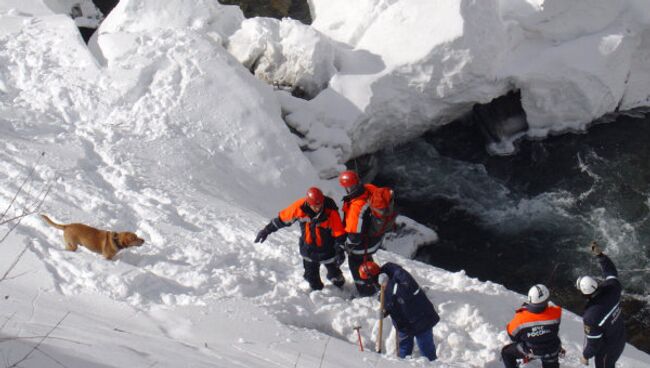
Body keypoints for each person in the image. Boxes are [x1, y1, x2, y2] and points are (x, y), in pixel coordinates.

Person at [254, 187, 346, 291]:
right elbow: (282, 220)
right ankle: (313, 284)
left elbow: (339, 232)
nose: (318, 208)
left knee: (339, 280)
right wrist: (266, 230)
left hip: (328, 250)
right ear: (308, 203)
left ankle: (336, 280)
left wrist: (340, 250)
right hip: (309, 250)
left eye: (320, 205)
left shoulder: (330, 211)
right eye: (315, 206)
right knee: (315, 285)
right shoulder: (299, 208)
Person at [360, 261, 439, 361]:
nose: (367, 285)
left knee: (427, 351)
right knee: (403, 353)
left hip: (420, 317)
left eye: (367, 282)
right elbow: (392, 302)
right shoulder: (378, 283)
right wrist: (384, 311)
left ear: (372, 277)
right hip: (403, 323)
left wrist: (388, 284)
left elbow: (407, 291)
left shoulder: (397, 273)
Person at [576, 241, 625, 368]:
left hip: (608, 349)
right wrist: (600, 256)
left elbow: (593, 343)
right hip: (620, 336)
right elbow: (611, 272)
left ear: (585, 294)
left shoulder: (591, 316)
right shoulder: (613, 288)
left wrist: (585, 356)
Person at [338, 170, 386, 296]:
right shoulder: (369, 189)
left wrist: (346, 246)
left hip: (363, 245)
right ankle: (375, 280)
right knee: (367, 262)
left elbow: (355, 236)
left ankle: (366, 291)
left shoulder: (357, 206)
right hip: (374, 238)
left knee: (356, 266)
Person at [502, 284, 563, 368]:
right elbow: (546, 312)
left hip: (532, 351)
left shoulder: (520, 318)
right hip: (552, 350)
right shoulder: (557, 313)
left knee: (506, 353)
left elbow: (512, 335)